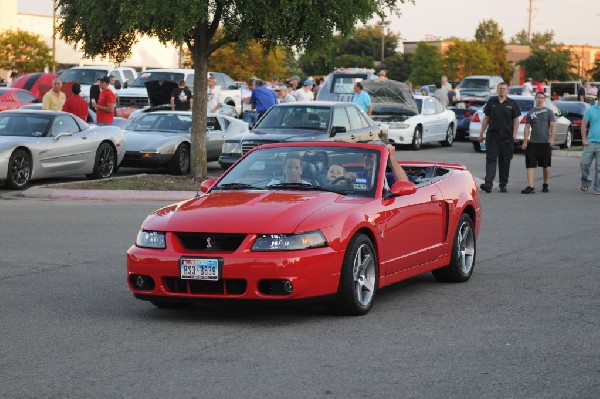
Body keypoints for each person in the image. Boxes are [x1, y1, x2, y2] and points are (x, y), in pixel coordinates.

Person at [478, 82, 522, 193]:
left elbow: (516, 120)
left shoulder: (512, 103)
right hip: (492, 136)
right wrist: (481, 133)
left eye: (504, 88)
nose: (502, 90)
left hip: (507, 137)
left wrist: (514, 134)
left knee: (505, 161)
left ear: (507, 90)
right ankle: (488, 184)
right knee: (491, 159)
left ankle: (503, 184)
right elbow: (486, 118)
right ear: (497, 90)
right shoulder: (491, 102)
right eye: (500, 88)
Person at [521, 91, 556, 194]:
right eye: (538, 97)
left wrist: (552, 138)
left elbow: (553, 125)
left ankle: (545, 184)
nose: (540, 99)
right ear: (535, 99)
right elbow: (527, 127)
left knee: (546, 165)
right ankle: (530, 186)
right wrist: (525, 141)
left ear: (544, 100)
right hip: (533, 142)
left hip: (545, 142)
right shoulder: (530, 113)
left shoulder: (549, 112)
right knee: (530, 164)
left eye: (542, 98)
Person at [580, 93, 600, 194]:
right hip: (590, 142)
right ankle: (586, 181)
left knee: (599, 168)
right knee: (584, 164)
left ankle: (598, 188)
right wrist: (584, 139)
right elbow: (584, 125)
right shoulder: (591, 110)